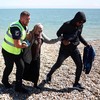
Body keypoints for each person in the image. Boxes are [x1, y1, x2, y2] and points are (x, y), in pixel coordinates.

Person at [45, 11, 90, 90]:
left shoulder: (80, 25)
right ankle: (49, 75)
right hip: (64, 49)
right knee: (58, 64)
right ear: (76, 19)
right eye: (80, 22)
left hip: (74, 48)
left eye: (82, 22)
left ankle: (76, 83)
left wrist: (86, 44)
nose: (81, 24)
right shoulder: (66, 24)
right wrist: (63, 40)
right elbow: (58, 33)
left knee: (79, 65)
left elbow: (79, 35)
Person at [22, 23, 62, 89]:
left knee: (36, 70)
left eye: (42, 30)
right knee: (26, 69)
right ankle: (19, 81)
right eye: (39, 30)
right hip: (29, 56)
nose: (40, 32)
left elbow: (49, 41)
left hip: (37, 55)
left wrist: (59, 39)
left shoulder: (41, 35)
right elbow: (24, 43)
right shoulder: (30, 34)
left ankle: (35, 84)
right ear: (35, 29)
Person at [1, 11, 30, 93]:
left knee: (21, 67)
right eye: (27, 19)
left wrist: (25, 41)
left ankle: (18, 87)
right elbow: (17, 44)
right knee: (9, 67)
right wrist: (24, 46)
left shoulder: (25, 26)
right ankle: (4, 80)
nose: (28, 21)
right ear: (21, 18)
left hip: (17, 52)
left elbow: (24, 37)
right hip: (8, 51)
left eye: (29, 19)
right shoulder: (15, 27)